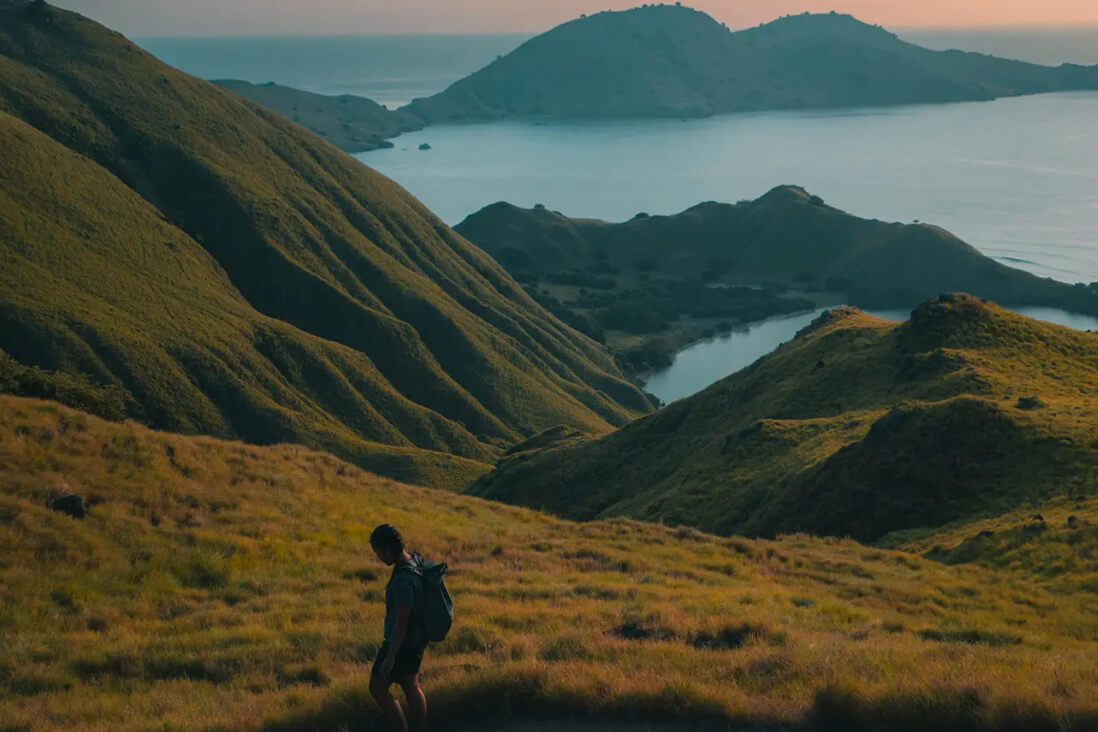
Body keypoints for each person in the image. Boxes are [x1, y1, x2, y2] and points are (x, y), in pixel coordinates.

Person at [368, 524, 428, 732]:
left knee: (377, 687)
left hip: (402, 642)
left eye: (380, 553)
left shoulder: (402, 579)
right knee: (411, 686)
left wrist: (390, 656)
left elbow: (402, 620)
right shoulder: (415, 558)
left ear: (388, 548)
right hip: (417, 638)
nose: (379, 558)